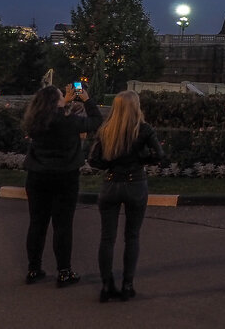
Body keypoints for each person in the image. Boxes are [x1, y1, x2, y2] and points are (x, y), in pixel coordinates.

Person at [22, 84, 102, 287]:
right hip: (65, 178)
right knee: (63, 225)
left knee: (37, 224)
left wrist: (64, 101)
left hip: (37, 177)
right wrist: (86, 99)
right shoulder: (69, 122)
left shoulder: (35, 121)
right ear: (56, 101)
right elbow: (96, 121)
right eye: (60, 96)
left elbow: (52, 114)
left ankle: (33, 269)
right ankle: (64, 272)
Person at [88, 90, 164, 303]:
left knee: (107, 238)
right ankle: (127, 285)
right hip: (135, 184)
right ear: (136, 107)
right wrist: (142, 160)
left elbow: (94, 160)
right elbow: (159, 156)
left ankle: (106, 284)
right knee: (132, 236)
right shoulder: (144, 130)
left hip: (111, 183)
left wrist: (111, 163)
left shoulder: (106, 130)